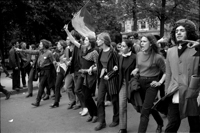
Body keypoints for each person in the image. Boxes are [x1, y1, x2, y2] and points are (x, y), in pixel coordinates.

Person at [164, 19, 200, 133]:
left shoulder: (196, 49)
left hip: (192, 93)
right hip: (174, 92)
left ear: (188, 33)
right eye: (176, 31)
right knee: (172, 125)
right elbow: (168, 73)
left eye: (182, 30)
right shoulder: (170, 51)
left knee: (195, 126)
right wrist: (166, 92)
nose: (178, 33)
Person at [132, 34, 165, 133]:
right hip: (140, 82)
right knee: (148, 107)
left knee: (144, 111)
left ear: (150, 43)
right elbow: (139, 66)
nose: (141, 43)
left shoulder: (158, 57)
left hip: (152, 84)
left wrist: (159, 82)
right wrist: (136, 69)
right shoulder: (138, 54)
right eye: (141, 41)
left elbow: (167, 72)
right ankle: (160, 122)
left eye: (144, 41)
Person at [16, 39, 56, 107]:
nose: (39, 45)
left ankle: (38, 102)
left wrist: (57, 71)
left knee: (43, 85)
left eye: (40, 44)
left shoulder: (49, 53)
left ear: (44, 45)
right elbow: (31, 51)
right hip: (42, 71)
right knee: (48, 85)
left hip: (48, 72)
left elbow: (54, 62)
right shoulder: (40, 52)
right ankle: (56, 95)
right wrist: (21, 50)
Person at [94, 32, 119, 131]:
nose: (96, 41)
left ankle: (116, 119)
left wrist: (109, 75)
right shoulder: (100, 51)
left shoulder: (113, 52)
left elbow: (118, 67)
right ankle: (102, 122)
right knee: (100, 100)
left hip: (111, 80)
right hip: (102, 79)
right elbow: (101, 65)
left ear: (104, 41)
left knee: (115, 100)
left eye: (98, 39)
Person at [118, 39, 136, 133]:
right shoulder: (120, 57)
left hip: (133, 85)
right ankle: (123, 128)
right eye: (121, 46)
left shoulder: (135, 57)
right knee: (122, 106)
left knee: (140, 107)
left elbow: (139, 70)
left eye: (124, 46)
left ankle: (156, 118)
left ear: (129, 48)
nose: (121, 47)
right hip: (123, 84)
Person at [50, 40, 69, 108]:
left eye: (58, 44)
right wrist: (57, 63)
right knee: (57, 85)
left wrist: (62, 61)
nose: (57, 46)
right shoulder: (59, 52)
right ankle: (56, 102)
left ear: (62, 45)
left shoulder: (67, 50)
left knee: (69, 87)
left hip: (67, 70)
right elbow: (61, 62)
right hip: (61, 70)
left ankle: (75, 101)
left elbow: (68, 60)